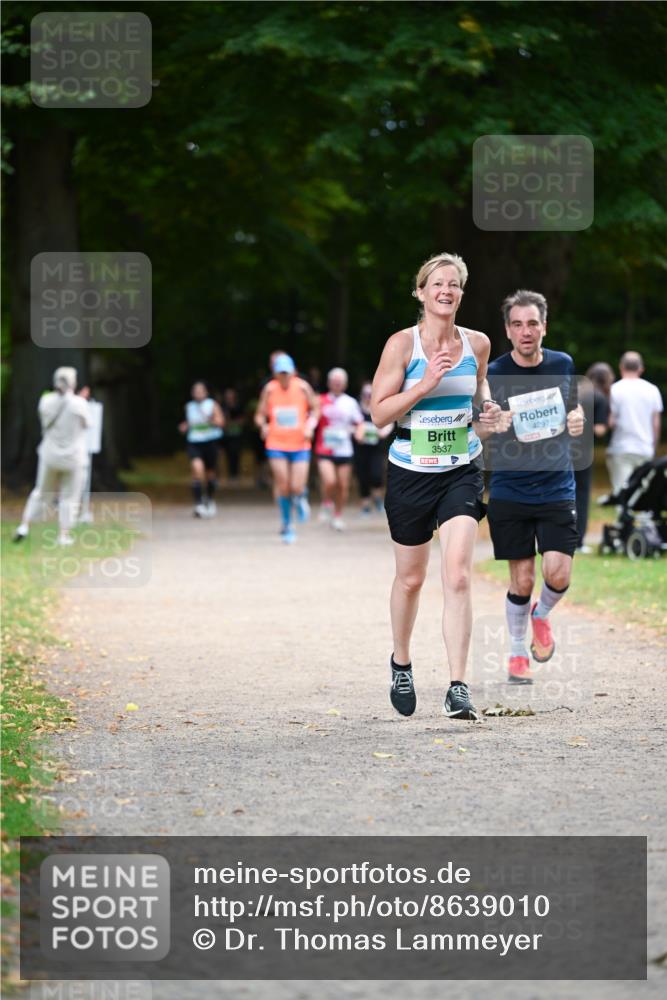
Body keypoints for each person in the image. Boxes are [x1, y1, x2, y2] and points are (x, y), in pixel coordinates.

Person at [370, 252, 501, 721]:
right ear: (421, 292)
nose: (446, 291)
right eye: (437, 284)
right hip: (409, 471)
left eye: (454, 284)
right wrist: (424, 384)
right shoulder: (402, 346)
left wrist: (489, 411)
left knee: (458, 575)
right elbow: (379, 413)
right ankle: (401, 663)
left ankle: (458, 687)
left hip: (460, 469)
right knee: (411, 579)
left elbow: (480, 388)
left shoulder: (477, 343)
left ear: (461, 294)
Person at [485, 290, 586, 686]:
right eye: (517, 324)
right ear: (507, 330)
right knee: (523, 579)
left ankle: (540, 615)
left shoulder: (563, 364)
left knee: (558, 573)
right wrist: (494, 422)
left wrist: (577, 418)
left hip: (556, 483)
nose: (525, 331)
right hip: (510, 486)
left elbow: (573, 408)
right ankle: (516, 652)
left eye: (532, 324)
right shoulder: (494, 373)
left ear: (544, 326)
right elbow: (480, 423)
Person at [14, 367, 91, 546]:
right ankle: (63, 535)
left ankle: (24, 525)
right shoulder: (79, 404)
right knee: (69, 496)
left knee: (41, 492)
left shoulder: (46, 400)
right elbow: (88, 424)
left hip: (49, 455)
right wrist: (81, 399)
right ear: (73, 383)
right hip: (73, 457)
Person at [255, 353, 320, 543]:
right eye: (280, 373)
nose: (284, 377)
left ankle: (300, 498)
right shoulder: (269, 389)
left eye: (286, 373)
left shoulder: (302, 387)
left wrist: (310, 426)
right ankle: (287, 524)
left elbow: (316, 409)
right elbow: (259, 414)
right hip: (276, 443)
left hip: (300, 443)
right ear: (275, 374)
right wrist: (263, 425)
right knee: (283, 486)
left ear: (293, 372)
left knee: (297, 486)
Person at [606, 351, 663, 495]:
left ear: (621, 367)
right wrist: (653, 447)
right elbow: (656, 424)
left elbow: (610, 422)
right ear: (641, 368)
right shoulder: (652, 390)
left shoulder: (614, 390)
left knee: (622, 493)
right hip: (645, 448)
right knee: (642, 493)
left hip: (621, 448)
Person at [315, 368, 364, 531]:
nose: (337, 384)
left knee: (343, 485)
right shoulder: (320, 400)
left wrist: (359, 432)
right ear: (329, 383)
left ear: (345, 384)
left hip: (344, 449)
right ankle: (326, 502)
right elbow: (311, 419)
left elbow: (359, 423)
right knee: (330, 481)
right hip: (325, 448)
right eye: (334, 381)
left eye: (340, 382)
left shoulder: (350, 402)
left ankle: (337, 516)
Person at [574, 362, 614, 552]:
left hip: (561, 449)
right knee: (581, 496)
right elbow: (599, 430)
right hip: (583, 452)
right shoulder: (600, 397)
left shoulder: (576, 391)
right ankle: (578, 541)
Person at [178, 381, 224, 518]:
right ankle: (198, 504)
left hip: (210, 441)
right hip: (194, 442)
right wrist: (184, 426)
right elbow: (189, 422)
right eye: (195, 391)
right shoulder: (189, 406)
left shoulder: (212, 405)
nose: (197, 393)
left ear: (206, 392)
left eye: (200, 390)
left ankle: (209, 499)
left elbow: (221, 422)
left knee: (210, 474)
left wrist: (211, 420)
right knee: (197, 470)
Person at [354, 381, 394, 516]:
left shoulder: (379, 407)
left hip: (376, 448)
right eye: (365, 394)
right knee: (362, 476)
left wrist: (383, 432)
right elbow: (350, 424)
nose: (368, 397)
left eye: (370, 394)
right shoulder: (356, 408)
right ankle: (365, 505)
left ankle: (377, 498)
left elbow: (389, 422)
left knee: (376, 474)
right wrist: (357, 432)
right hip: (360, 448)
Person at [220, 387, 244, 482]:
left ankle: (235, 474)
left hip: (237, 435)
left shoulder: (238, 407)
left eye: (231, 395)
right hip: (226, 435)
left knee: (236, 454)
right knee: (228, 454)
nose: (229, 397)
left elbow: (242, 421)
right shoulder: (223, 407)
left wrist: (231, 422)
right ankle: (230, 474)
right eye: (227, 396)